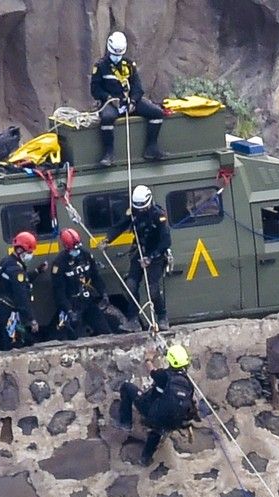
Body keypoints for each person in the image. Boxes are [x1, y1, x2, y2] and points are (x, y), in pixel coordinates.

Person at [99, 184, 171, 331]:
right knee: (131, 285)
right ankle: (133, 320)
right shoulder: (133, 213)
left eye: (143, 207)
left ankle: (162, 317)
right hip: (138, 251)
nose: (141, 210)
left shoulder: (159, 215)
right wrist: (107, 240)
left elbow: (166, 241)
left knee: (153, 289)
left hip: (155, 255)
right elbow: (120, 226)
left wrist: (151, 258)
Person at [115, 344, 199, 466]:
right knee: (157, 429)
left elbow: (151, 369)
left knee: (126, 387)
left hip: (152, 412)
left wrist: (149, 358)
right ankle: (145, 459)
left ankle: (125, 423)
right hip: (174, 421)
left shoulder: (163, 376)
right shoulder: (188, 382)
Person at [91, 31, 165, 167]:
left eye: (119, 54)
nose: (116, 57)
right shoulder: (101, 66)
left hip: (129, 102)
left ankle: (151, 148)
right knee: (107, 118)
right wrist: (108, 98)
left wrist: (133, 101)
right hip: (111, 103)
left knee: (157, 113)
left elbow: (137, 86)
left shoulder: (129, 65)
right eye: (114, 54)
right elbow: (95, 89)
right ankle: (108, 153)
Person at [0, 231, 45, 351]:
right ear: (20, 250)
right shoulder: (16, 270)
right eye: (29, 252)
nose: (30, 255)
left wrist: (37, 271)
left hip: (4, 309)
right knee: (14, 344)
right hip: (11, 313)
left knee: (19, 338)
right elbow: (21, 297)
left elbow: (22, 280)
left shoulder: (7, 261)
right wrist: (32, 320)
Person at [51, 228, 111, 340]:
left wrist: (104, 293)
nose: (76, 251)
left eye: (78, 247)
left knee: (105, 332)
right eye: (73, 249)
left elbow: (95, 276)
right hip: (72, 305)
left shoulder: (86, 255)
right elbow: (59, 292)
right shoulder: (59, 263)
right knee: (72, 338)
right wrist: (68, 310)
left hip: (88, 301)